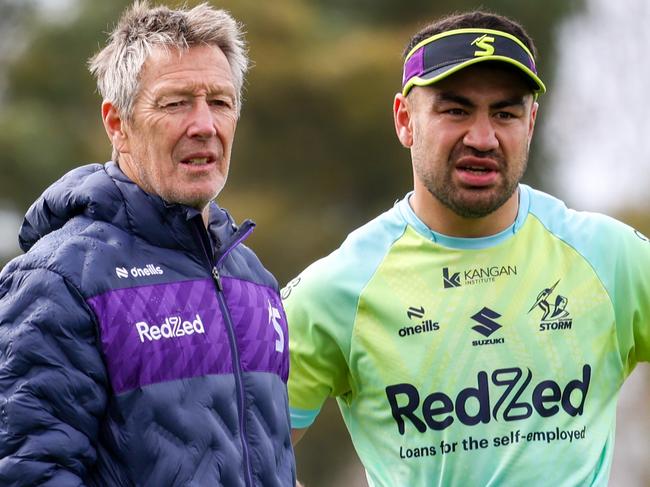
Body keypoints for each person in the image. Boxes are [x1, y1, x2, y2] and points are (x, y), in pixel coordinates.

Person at [284, 10, 650, 487]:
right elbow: (237, 453)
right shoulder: (338, 287)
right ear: (404, 120)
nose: (482, 138)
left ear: (531, 121)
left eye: (505, 112)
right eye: (454, 110)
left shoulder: (610, 257)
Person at [0, 2, 295, 486]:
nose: (205, 125)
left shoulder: (253, 279)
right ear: (117, 124)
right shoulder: (58, 283)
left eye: (220, 102)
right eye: (177, 102)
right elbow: (29, 473)